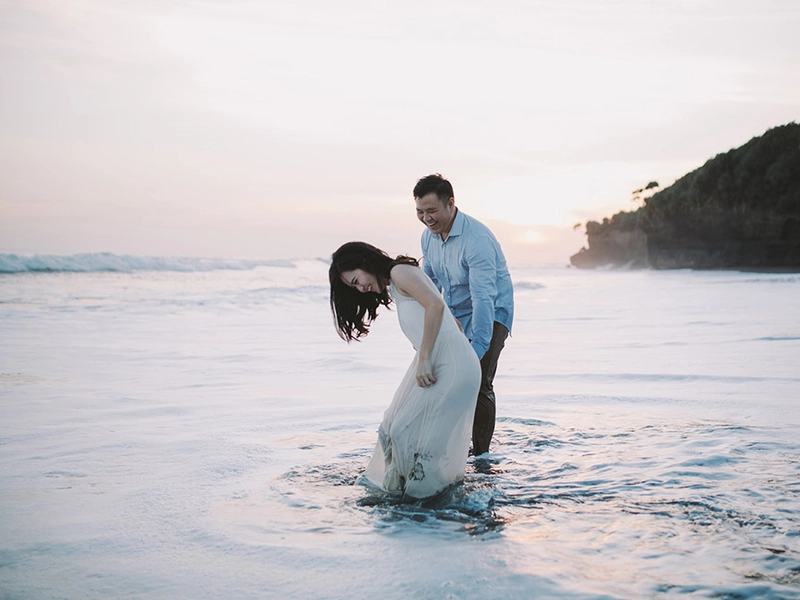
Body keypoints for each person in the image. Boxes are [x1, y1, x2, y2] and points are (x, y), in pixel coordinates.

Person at [329, 241, 481, 500]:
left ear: (365, 264)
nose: (361, 288)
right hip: (446, 362)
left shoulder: (400, 272)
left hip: (450, 365)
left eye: (356, 280)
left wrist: (426, 358)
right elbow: (453, 323)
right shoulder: (397, 284)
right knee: (394, 431)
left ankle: (423, 504)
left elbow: (437, 306)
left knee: (408, 436)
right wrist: (433, 352)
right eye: (353, 287)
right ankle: (417, 500)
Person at [413, 174, 514, 456]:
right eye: (420, 212)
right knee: (447, 378)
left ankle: (481, 456)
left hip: (492, 312)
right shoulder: (428, 237)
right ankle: (453, 447)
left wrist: (478, 350)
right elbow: (429, 285)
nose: (426, 218)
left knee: (479, 380)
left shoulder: (476, 239)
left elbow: (483, 297)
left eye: (432, 211)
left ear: (451, 204)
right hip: (456, 313)